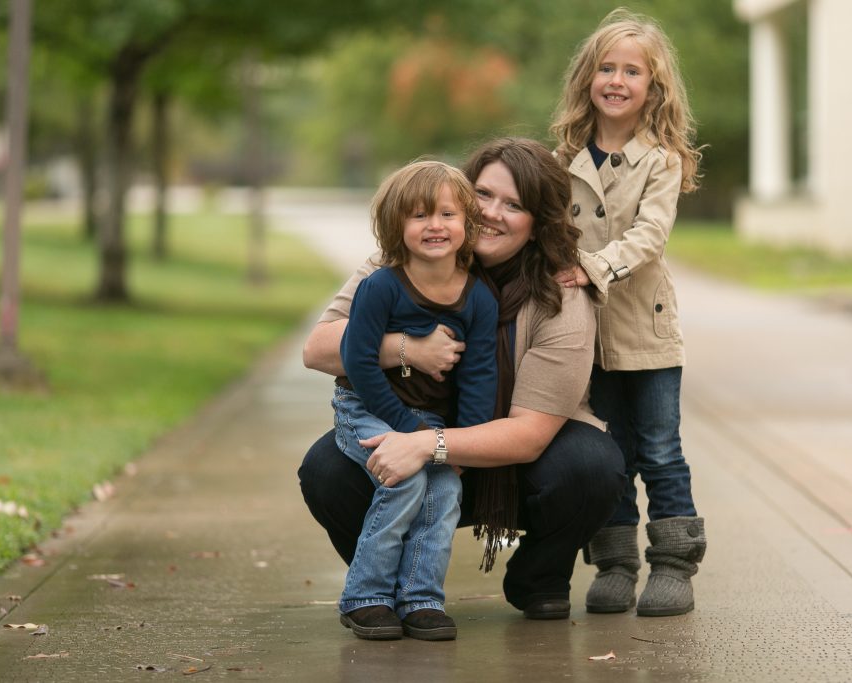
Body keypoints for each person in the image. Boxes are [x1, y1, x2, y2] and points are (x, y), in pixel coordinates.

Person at [300, 137, 627, 624]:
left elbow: (531, 432)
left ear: (537, 223)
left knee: (592, 464)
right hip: (406, 423)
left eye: (514, 205)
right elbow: (318, 348)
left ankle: (539, 576)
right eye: (483, 194)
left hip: (509, 461)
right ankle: (383, 590)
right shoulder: (403, 259)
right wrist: (408, 347)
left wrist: (429, 445)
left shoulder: (560, 293)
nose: (492, 213)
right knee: (327, 467)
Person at [551, 7, 707, 617]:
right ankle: (615, 562)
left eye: (632, 71)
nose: (617, 80)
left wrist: (590, 267)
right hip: (585, 334)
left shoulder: (661, 160)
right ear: (588, 78)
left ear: (653, 86)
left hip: (646, 329)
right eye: (606, 68)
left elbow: (649, 237)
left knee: (660, 448)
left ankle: (674, 565)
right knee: (609, 450)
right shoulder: (563, 159)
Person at [331, 160, 498, 642]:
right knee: (403, 481)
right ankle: (366, 597)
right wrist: (410, 428)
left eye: (447, 214)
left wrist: (459, 443)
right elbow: (359, 363)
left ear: (467, 223)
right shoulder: (380, 286)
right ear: (395, 225)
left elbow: (480, 375)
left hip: (430, 423)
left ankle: (421, 600)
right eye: (419, 215)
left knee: (444, 490)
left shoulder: (477, 298)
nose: (435, 226)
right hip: (364, 407)